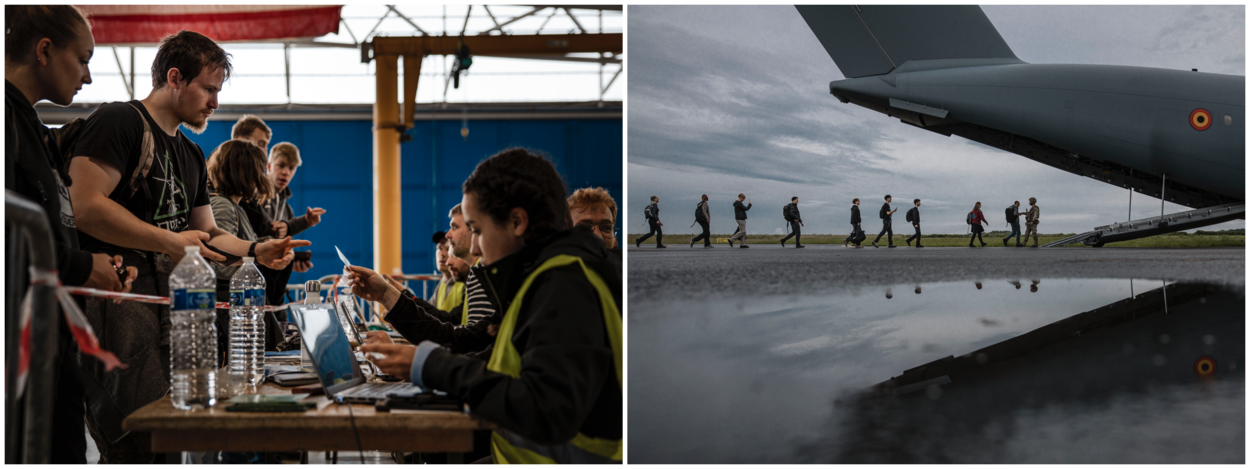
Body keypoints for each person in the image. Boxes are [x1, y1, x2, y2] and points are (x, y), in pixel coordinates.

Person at [66, 30, 308, 465]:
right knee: (134, 442)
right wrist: (167, 241)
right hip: (113, 306)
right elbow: (84, 205)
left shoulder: (191, 153)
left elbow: (207, 232)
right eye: (209, 89)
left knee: (168, 438)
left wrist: (256, 250)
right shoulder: (120, 121)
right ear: (175, 78)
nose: (215, 102)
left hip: (170, 314)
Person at [357, 148, 623, 465]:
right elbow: (483, 355)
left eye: (478, 230)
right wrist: (423, 362)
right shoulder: (543, 280)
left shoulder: (566, 283)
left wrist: (431, 365)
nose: (475, 246)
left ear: (517, 221)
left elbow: (547, 409)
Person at [1, 5, 138, 465]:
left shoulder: (37, 132)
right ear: (44, 51)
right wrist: (80, 266)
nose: (88, 77)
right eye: (82, 59)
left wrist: (98, 266)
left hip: (50, 345)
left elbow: (48, 232)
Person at [204, 139, 286, 353]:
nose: (262, 177)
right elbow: (219, 262)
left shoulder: (234, 206)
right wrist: (258, 255)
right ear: (246, 172)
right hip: (234, 315)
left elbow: (242, 245)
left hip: (241, 312)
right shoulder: (222, 205)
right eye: (258, 170)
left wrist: (268, 247)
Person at [258, 142, 324, 271]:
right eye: (281, 165)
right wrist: (304, 222)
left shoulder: (287, 210)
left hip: (271, 277)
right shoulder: (254, 194)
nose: (286, 172)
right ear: (269, 166)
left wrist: (291, 262)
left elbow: (281, 250)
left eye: (291, 168)